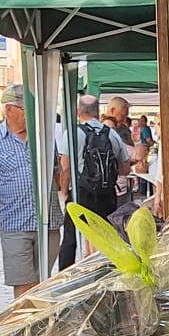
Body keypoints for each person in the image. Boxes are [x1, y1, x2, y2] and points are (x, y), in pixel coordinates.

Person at [0, 84, 56, 294]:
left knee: (45, 284)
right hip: (15, 224)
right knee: (24, 287)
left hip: (49, 222)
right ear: (10, 110)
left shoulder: (43, 135)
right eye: (27, 110)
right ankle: (24, 326)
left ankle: (44, 327)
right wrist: (5, 206)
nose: (33, 115)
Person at [59, 93, 130, 269]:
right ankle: (106, 273)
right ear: (98, 112)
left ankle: (65, 280)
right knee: (106, 238)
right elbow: (125, 169)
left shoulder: (73, 133)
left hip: (81, 194)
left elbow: (65, 168)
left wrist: (64, 192)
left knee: (70, 238)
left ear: (78, 112)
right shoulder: (112, 135)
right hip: (107, 196)